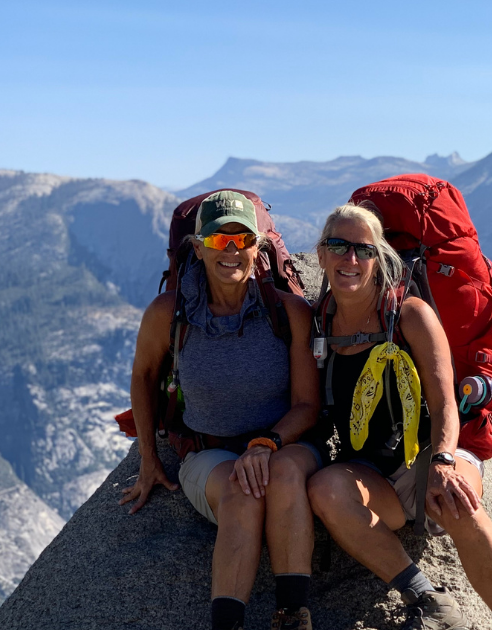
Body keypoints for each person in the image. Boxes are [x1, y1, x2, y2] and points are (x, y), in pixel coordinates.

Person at [305, 203, 492, 630]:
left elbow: (446, 400)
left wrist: (445, 462)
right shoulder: (318, 322)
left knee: (455, 497)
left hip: (435, 451)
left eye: (363, 250)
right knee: (325, 489)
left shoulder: (410, 315)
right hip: (376, 473)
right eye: (338, 246)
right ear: (320, 254)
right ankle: (429, 600)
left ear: (380, 258)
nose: (350, 259)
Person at [120, 191, 322, 630]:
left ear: (258, 246)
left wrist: (266, 444)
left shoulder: (289, 313)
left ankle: (292, 616)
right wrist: (149, 462)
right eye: (217, 240)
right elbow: (142, 376)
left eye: (242, 239)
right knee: (241, 491)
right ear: (197, 248)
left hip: (285, 445)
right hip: (208, 452)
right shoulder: (168, 314)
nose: (231, 251)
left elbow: (308, 405)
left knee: (279, 475)